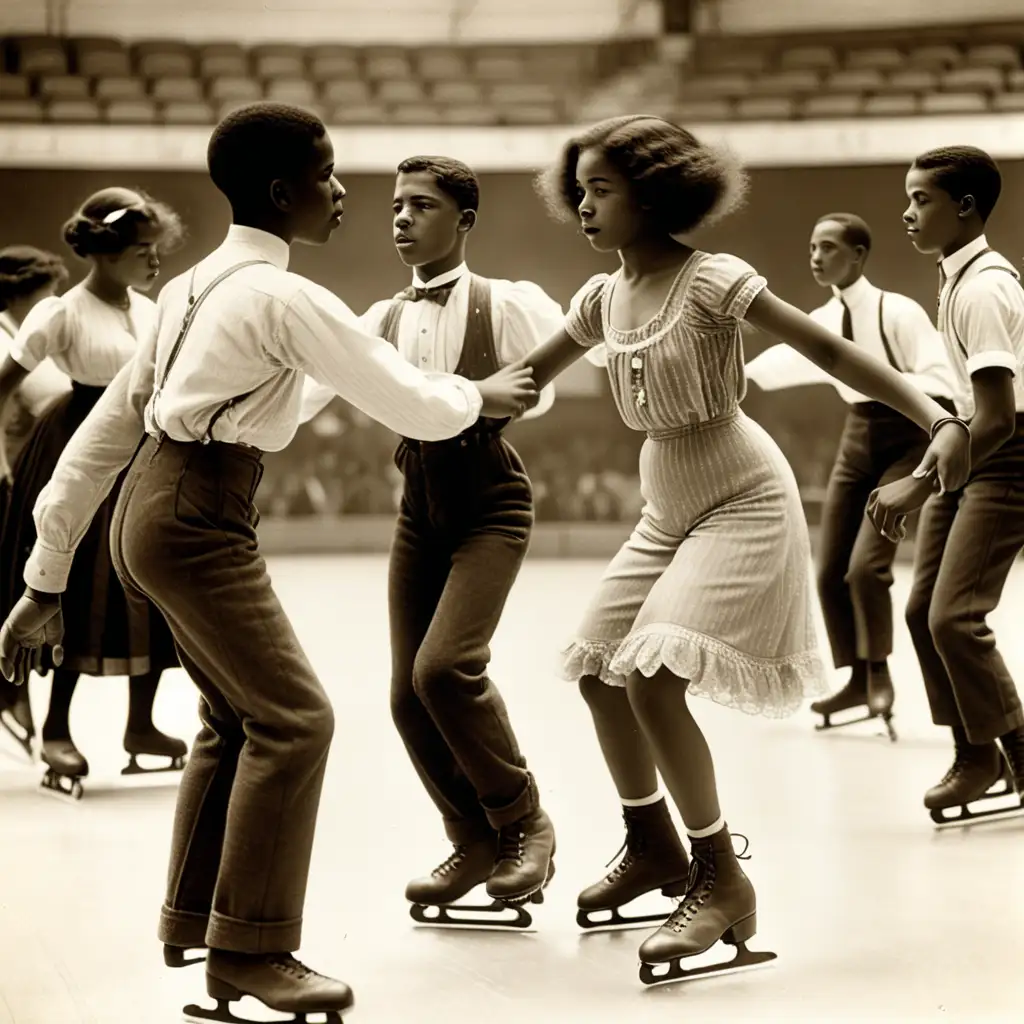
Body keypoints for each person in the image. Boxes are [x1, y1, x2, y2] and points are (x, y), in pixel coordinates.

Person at [0, 103, 537, 1023]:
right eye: (328, 176)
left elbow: (104, 436)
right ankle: (252, 953)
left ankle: (197, 918)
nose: (342, 194)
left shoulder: (189, 291)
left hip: (148, 510)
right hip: (202, 512)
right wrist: (474, 393)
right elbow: (411, 404)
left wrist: (45, 576)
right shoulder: (286, 298)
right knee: (296, 721)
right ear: (287, 192)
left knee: (234, 720)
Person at [513, 114, 970, 983]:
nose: (582, 205)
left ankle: (722, 880)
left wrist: (938, 418)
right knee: (599, 675)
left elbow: (832, 348)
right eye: (577, 190)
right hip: (665, 502)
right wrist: (433, 404)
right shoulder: (598, 298)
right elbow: (522, 380)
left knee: (650, 677)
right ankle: (651, 846)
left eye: (600, 189)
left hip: (742, 495)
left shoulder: (712, 280)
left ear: (652, 196)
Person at [302, 155, 562, 927]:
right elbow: (307, 393)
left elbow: (586, 344)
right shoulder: (376, 321)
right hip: (418, 506)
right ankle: (474, 840)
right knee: (405, 697)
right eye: (396, 206)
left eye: (422, 205)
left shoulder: (505, 305)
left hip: (491, 501)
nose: (402, 218)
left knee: (445, 669)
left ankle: (527, 824)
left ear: (466, 222)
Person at [0, 192, 186, 796]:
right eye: (142, 250)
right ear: (105, 254)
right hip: (75, 450)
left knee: (147, 580)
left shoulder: (153, 309)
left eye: (158, 249)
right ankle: (57, 725)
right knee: (78, 587)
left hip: (143, 452)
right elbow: (3, 385)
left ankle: (141, 724)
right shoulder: (61, 313)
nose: (155, 260)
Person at [746, 212, 957, 740]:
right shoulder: (820, 320)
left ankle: (881, 673)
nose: (816, 256)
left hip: (909, 435)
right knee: (828, 569)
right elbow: (781, 365)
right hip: (857, 438)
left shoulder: (898, 312)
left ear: (859, 255)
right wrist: (733, 371)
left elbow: (939, 378)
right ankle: (858, 677)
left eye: (830, 248)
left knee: (866, 568)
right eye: (812, 247)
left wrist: (871, 376)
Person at [869, 145, 1024, 823]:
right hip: (970, 449)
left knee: (954, 618)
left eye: (921, 200)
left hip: (1008, 456)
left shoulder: (986, 286)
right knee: (920, 612)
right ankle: (977, 753)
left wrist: (918, 483)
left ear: (964, 208)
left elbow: (994, 419)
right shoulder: (954, 275)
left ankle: (1015, 755)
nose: (906, 213)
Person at [0, 245, 71, 756]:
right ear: (20, 296)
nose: (55, 304)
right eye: (47, 296)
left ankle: (16, 696)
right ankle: (11, 694)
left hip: (40, 479)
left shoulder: (34, 339)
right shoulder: (7, 341)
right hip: (14, 480)